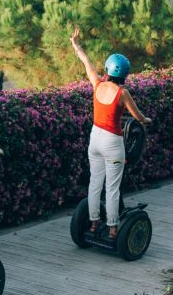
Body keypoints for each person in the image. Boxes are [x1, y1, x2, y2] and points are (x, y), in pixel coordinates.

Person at [69, 28, 151, 241]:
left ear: (107, 70)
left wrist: (77, 45)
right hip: (113, 142)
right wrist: (145, 121)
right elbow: (138, 116)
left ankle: (94, 223)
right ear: (124, 74)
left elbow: (86, 63)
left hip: (94, 138)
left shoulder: (97, 84)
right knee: (112, 188)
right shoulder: (123, 93)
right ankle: (113, 228)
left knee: (95, 183)